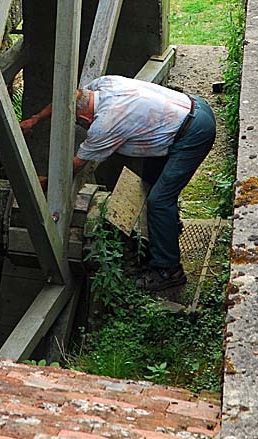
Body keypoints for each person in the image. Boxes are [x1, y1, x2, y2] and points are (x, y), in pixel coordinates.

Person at [20, 75, 216, 292]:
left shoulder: (104, 125)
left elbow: (74, 167)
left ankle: (169, 271)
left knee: (159, 200)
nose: (81, 126)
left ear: (84, 119)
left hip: (194, 133)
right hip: (191, 108)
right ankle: (166, 230)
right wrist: (36, 119)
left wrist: (44, 183)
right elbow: (69, 98)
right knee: (150, 181)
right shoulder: (102, 84)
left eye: (79, 123)